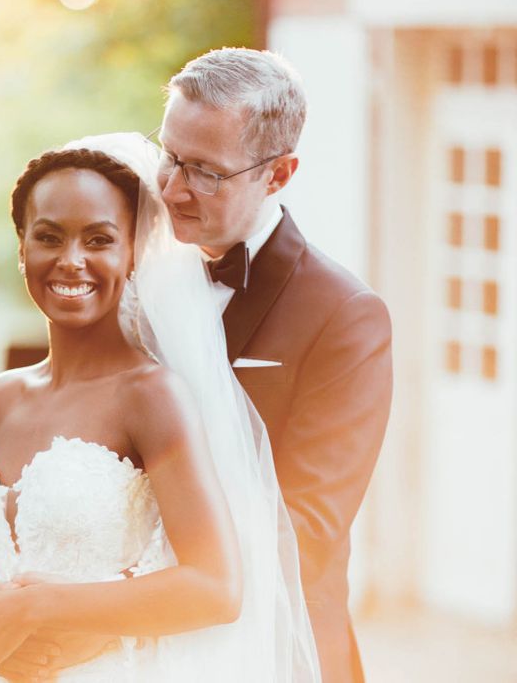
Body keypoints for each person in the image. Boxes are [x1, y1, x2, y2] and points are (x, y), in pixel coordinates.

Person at [0, 133, 320, 682]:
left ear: (133, 253)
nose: (71, 261)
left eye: (98, 239)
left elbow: (216, 587)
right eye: (49, 237)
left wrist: (36, 608)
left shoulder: (151, 397)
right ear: (22, 249)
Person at [155, 48, 393, 683]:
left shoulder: (346, 315)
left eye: (205, 172)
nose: (172, 189)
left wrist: (134, 587)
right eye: (170, 156)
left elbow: (307, 526)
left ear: (279, 174)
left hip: (275, 651)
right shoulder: (136, 276)